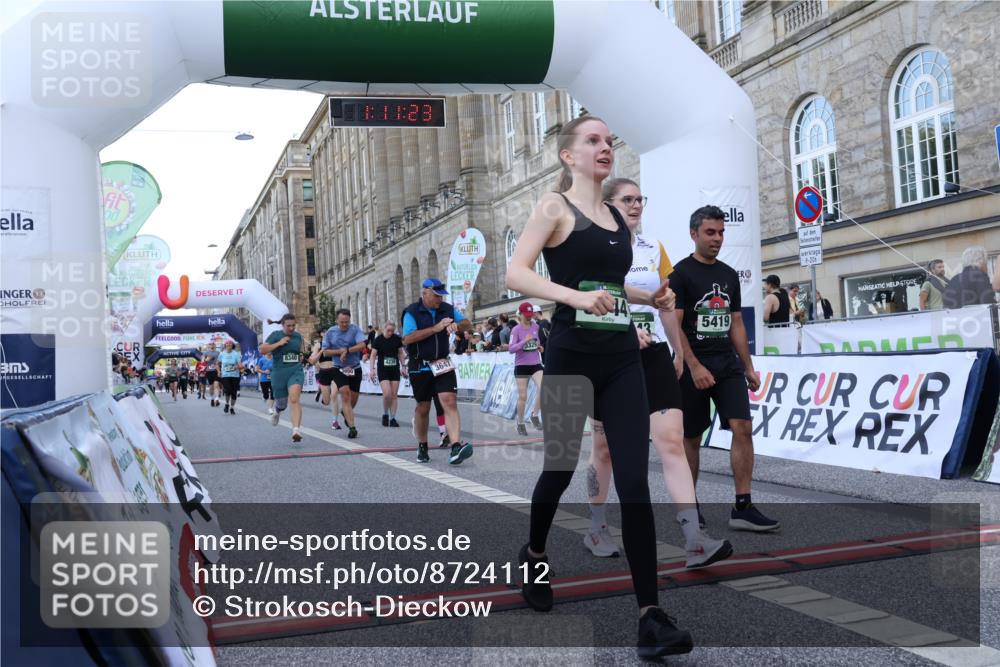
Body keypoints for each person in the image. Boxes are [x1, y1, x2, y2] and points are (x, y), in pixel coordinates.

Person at [505, 116, 691, 657]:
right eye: (592, 141)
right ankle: (535, 553)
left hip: (619, 360)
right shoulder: (552, 207)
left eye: (609, 141)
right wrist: (574, 298)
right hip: (567, 356)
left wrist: (646, 297)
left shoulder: (615, 216)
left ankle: (650, 616)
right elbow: (517, 274)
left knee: (635, 481)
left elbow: (608, 287)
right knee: (559, 469)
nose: (604, 148)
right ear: (568, 155)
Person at [584, 178, 733, 569]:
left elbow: (666, 304)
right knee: (604, 450)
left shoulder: (654, 249)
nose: (635, 206)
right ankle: (597, 525)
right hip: (608, 356)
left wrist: (679, 351)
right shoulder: (594, 247)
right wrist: (624, 326)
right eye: (626, 199)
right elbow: (587, 297)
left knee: (671, 443)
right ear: (607, 204)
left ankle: (693, 539)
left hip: (654, 356)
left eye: (639, 200)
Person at [671, 205, 780, 533]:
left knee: (743, 427)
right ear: (694, 234)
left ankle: (742, 507)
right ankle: (690, 508)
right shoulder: (680, 274)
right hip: (693, 366)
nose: (717, 238)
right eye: (710, 232)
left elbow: (735, 323)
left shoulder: (729, 274)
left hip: (726, 365)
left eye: (721, 232)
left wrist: (748, 366)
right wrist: (694, 365)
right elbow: (674, 327)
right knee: (691, 438)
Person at [402, 278, 474, 465]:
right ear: (425, 293)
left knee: (449, 401)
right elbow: (408, 338)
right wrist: (436, 328)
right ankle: (423, 445)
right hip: (420, 366)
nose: (439, 300)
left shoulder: (447, 309)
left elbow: (468, 324)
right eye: (436, 296)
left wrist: (457, 326)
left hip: (442, 363)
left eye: (442, 296)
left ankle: (456, 446)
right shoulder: (412, 312)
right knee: (423, 408)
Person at [320, 309, 367, 439]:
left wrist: (347, 350)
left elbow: (362, 344)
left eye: (346, 322)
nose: (344, 325)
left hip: (355, 367)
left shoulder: (355, 329)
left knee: (353, 398)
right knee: (345, 395)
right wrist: (339, 351)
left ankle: (346, 413)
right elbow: (325, 352)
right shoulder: (331, 332)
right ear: (337, 320)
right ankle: (352, 428)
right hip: (339, 368)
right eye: (341, 322)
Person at [260, 314, 307, 442]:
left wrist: (301, 356)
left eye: (293, 325)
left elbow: (299, 351)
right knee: (282, 403)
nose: (291, 328)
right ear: (283, 325)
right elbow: (262, 349)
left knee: (294, 399)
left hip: (295, 370)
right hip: (279, 372)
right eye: (289, 326)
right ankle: (277, 410)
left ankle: (296, 430)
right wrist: (279, 343)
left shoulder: (298, 336)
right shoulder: (276, 335)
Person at [508, 302, 544, 436]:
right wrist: (524, 341)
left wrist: (539, 346)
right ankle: (520, 422)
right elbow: (511, 349)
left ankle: (535, 415)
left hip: (535, 363)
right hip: (521, 365)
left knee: (544, 387)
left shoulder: (536, 326)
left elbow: (537, 341)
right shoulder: (516, 330)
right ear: (521, 314)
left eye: (531, 315)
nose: (529, 317)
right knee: (523, 396)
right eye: (527, 315)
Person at [369, 321, 406, 427]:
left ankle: (393, 418)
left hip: (394, 369)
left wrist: (403, 366)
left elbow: (400, 353)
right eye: (388, 330)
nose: (390, 333)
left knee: (394, 395)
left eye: (392, 331)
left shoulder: (397, 339)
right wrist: (372, 369)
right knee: (387, 394)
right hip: (383, 369)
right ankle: (385, 414)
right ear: (384, 329)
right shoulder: (378, 340)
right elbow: (372, 356)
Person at [310, 328, 344, 430]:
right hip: (324, 373)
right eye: (324, 332)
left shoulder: (336, 344)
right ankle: (321, 390)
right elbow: (312, 360)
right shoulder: (318, 345)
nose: (327, 334)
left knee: (334, 395)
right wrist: (321, 351)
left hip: (335, 371)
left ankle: (335, 421)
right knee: (327, 401)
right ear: (321, 334)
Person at [218, 341, 243, 415]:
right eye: (227, 344)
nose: (229, 345)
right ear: (225, 345)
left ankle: (232, 407)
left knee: (234, 393)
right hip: (225, 375)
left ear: (232, 345)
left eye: (230, 344)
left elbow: (240, 365)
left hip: (235, 375)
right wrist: (218, 371)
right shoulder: (222, 353)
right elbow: (217, 363)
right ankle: (226, 404)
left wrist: (237, 366)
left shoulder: (236, 354)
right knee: (227, 390)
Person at [203, 342, 222, 407]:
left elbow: (221, 361)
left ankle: (217, 399)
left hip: (216, 370)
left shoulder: (218, 353)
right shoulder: (205, 353)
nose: (212, 345)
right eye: (210, 344)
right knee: (211, 387)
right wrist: (206, 359)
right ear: (208, 346)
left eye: (213, 344)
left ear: (215, 345)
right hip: (209, 371)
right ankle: (212, 399)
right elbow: (202, 361)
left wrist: (219, 368)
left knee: (216, 385)